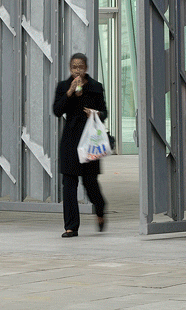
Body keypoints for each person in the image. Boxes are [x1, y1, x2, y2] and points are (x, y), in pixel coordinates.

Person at [53, 52, 107, 238]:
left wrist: (95, 113)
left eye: (81, 67)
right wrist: (69, 93)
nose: (77, 70)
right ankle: (71, 227)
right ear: (70, 68)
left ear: (86, 68)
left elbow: (104, 112)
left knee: (90, 183)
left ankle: (100, 209)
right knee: (69, 184)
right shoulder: (63, 87)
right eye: (74, 67)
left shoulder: (96, 87)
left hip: (89, 140)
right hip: (70, 141)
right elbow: (57, 111)